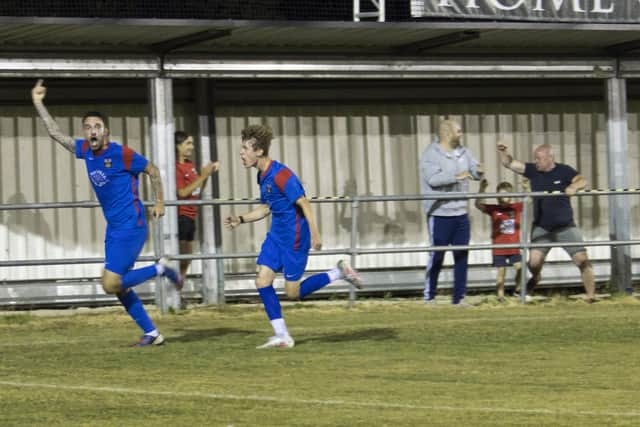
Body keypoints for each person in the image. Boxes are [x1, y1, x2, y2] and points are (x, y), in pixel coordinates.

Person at [31, 79, 183, 346]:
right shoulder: (86, 152)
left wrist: (160, 202)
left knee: (110, 283)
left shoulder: (121, 153)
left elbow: (153, 171)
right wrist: (38, 102)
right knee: (119, 287)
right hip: (114, 229)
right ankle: (152, 333)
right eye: (87, 127)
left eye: (96, 126)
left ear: (106, 131)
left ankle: (162, 268)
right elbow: (56, 134)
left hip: (131, 226)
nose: (91, 131)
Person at [224, 124, 363, 349]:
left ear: (258, 151)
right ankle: (282, 336)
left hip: (294, 238)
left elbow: (304, 203)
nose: (241, 153)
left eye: (245, 148)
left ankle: (338, 272)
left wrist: (316, 234)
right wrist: (241, 219)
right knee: (261, 280)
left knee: (293, 293)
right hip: (276, 235)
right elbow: (266, 208)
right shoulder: (262, 176)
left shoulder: (281, 174)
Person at [497, 142, 596, 302]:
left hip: (565, 226)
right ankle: (536, 278)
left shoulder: (564, 170)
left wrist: (574, 186)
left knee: (582, 259)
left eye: (539, 159)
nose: (536, 162)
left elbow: (582, 180)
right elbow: (510, 163)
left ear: (550, 158)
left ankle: (591, 296)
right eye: (535, 159)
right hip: (542, 227)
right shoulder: (533, 171)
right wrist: (503, 152)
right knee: (534, 263)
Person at [419, 119, 484, 306]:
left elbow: (473, 171)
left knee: (462, 255)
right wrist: (457, 176)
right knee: (437, 256)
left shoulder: (464, 152)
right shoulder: (431, 154)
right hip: (439, 214)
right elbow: (433, 179)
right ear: (447, 133)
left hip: (461, 213)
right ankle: (429, 297)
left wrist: (479, 171)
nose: (461, 134)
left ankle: (459, 298)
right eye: (459, 131)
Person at [175, 131, 219, 300]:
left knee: (187, 259)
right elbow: (183, 192)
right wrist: (203, 176)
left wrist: (205, 175)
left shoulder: (189, 164)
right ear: (177, 146)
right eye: (188, 143)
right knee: (181, 258)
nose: (191, 147)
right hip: (181, 216)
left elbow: (197, 189)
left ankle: (178, 292)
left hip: (191, 215)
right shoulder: (176, 167)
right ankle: (174, 294)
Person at [475, 179, 524, 302]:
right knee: (501, 272)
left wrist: (527, 188)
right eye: (500, 196)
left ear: (511, 196)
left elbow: (530, 200)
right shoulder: (494, 210)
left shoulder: (516, 208)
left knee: (520, 268)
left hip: (514, 247)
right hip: (499, 248)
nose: (502, 198)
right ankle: (500, 296)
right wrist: (482, 189)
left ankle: (518, 289)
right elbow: (478, 205)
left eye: (506, 195)